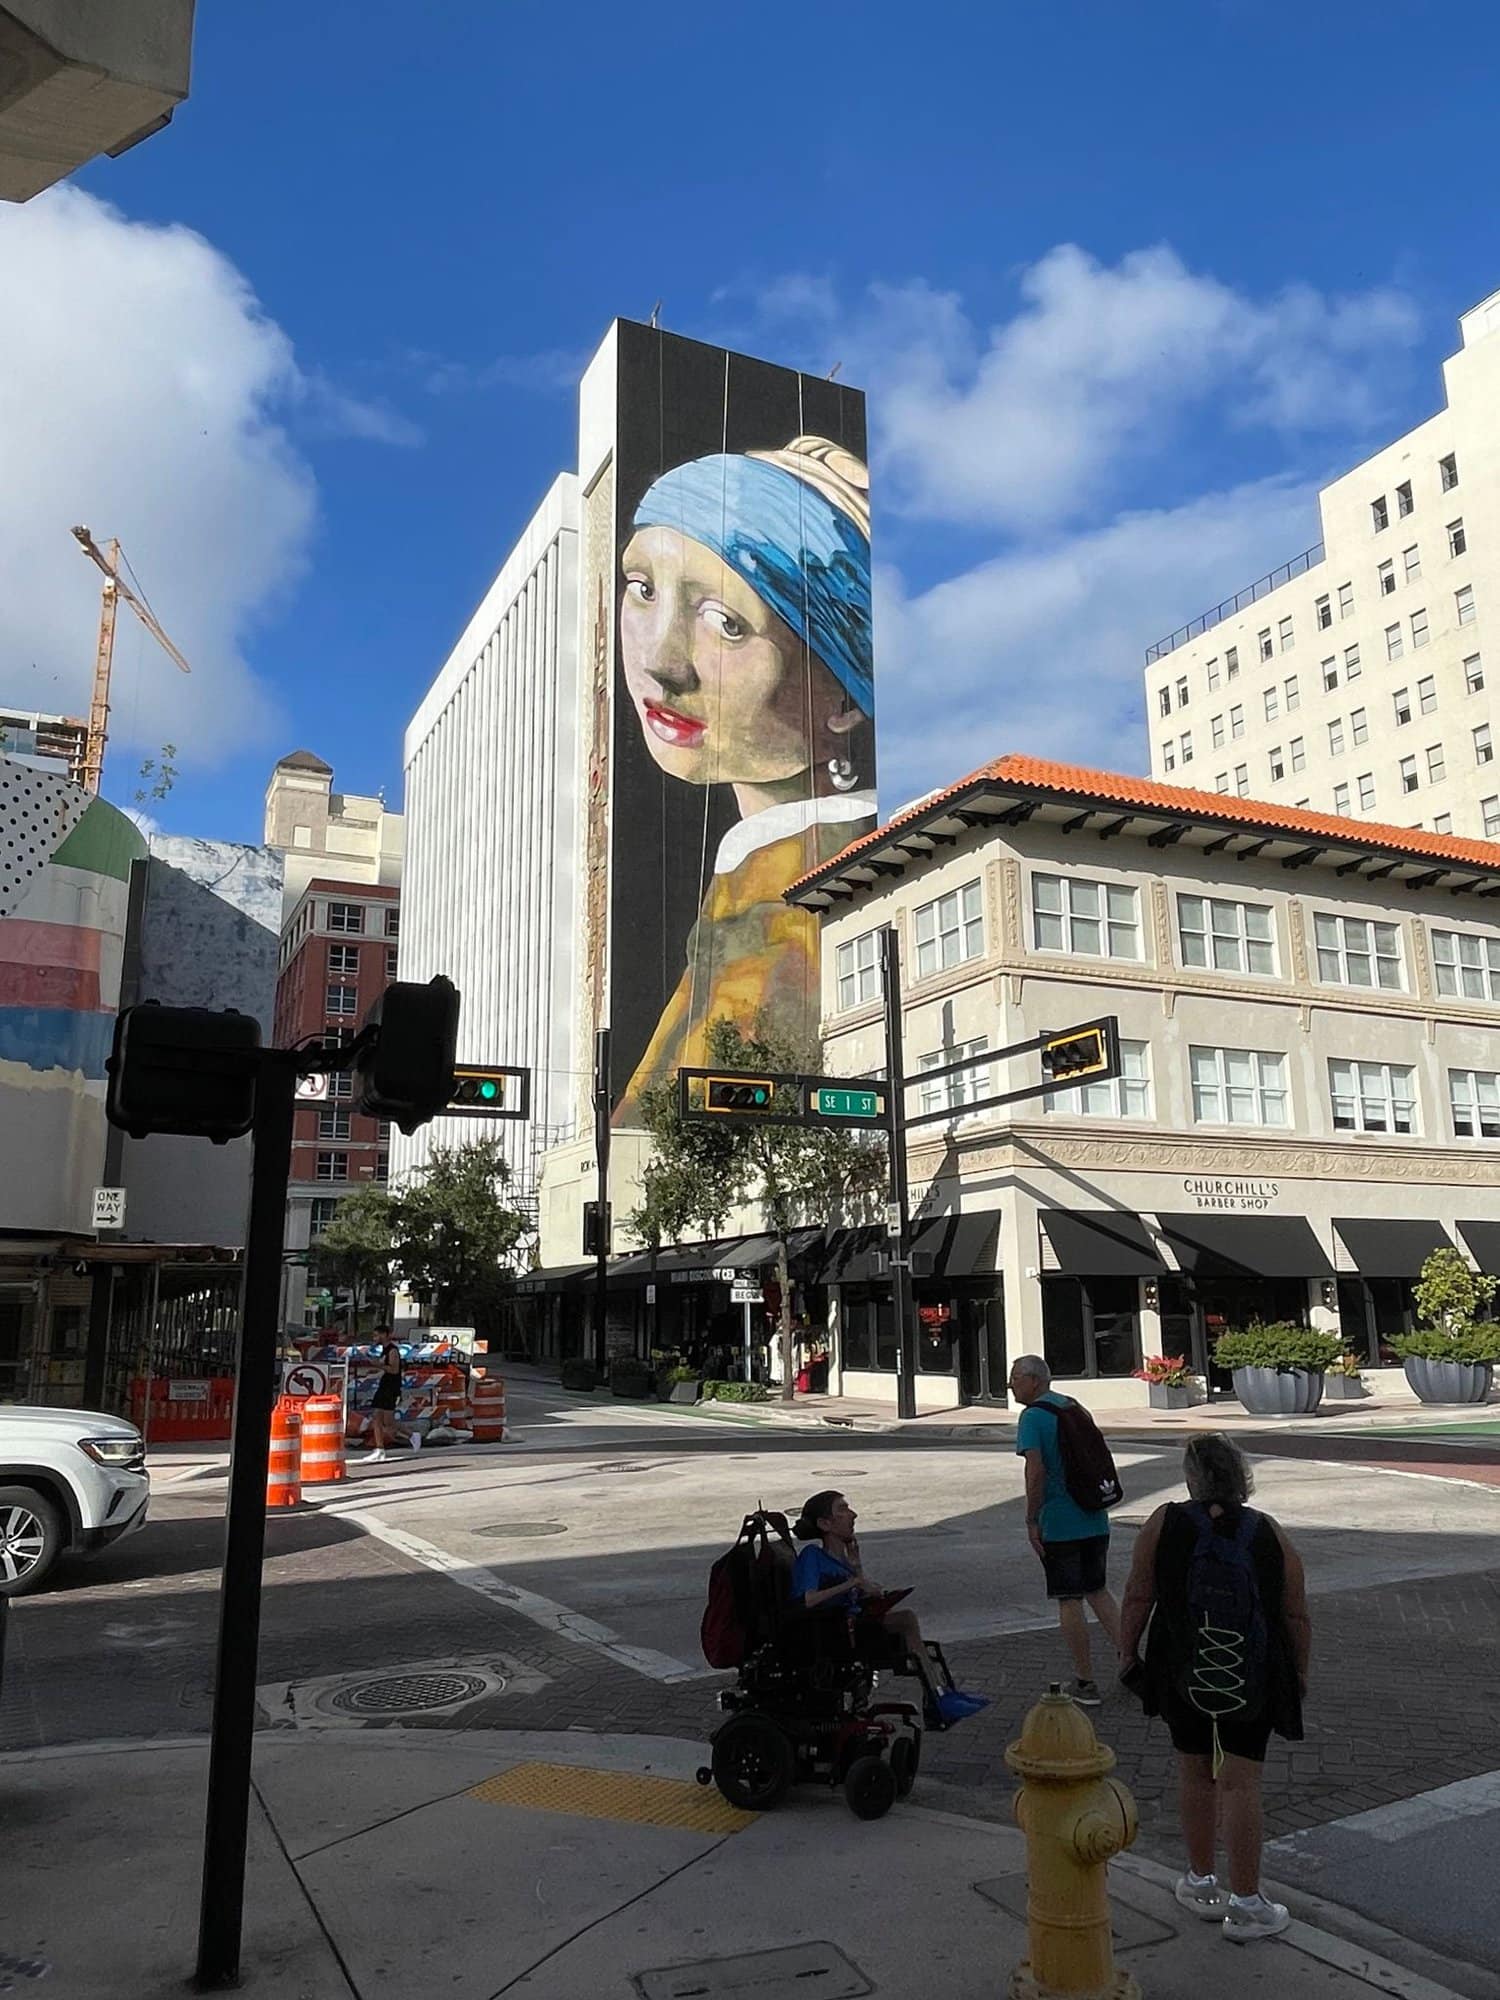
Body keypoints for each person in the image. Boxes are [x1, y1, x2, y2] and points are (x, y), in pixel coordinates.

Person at [615, 436, 878, 1119]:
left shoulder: (796, 903)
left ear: (846, 697)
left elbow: (682, 1131)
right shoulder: (750, 871)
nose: (662, 660)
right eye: (642, 589)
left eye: (726, 623)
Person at [1119, 1434, 1311, 1944]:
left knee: (1195, 1773)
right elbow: (1295, 1612)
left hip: (1181, 1669)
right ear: (1241, 1478)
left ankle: (1201, 1883)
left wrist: (1126, 1653)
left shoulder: (1163, 1522)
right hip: (1252, 1674)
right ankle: (1247, 1903)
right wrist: (1299, 1673)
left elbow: (1138, 1594)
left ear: (1191, 1478)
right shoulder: (1268, 1531)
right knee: (1241, 1784)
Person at [789, 1488, 986, 1729]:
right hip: (835, 1632)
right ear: (824, 1523)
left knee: (910, 1628)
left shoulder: (844, 1560)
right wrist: (852, 1582)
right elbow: (806, 1600)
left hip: (852, 1624)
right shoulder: (812, 1556)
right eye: (843, 1509)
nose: (853, 1515)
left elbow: (860, 1591)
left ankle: (940, 1693)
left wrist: (857, 1570)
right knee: (906, 1620)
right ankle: (937, 1696)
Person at [1011, 1354, 1120, 1705]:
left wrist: (1032, 1519)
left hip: (1060, 1523)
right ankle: (1134, 1663)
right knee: (1099, 1591)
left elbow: (1036, 1472)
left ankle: (1085, 1682)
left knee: (1069, 1599)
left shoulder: (1032, 1417)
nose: (1011, 1384)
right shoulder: (1073, 1406)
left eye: (1016, 1377)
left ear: (1035, 1381)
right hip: (1094, 1516)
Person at [364, 1336, 422, 1462]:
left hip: (391, 1388)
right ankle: (379, 1449)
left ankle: (412, 1435)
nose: (375, 1338)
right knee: (376, 1417)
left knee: (388, 1421)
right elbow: (384, 1370)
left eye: (377, 1335)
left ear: (384, 1335)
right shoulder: (384, 1350)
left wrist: (378, 1365)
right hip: (383, 1387)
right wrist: (374, 1371)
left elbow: (394, 1370)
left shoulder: (393, 1350)